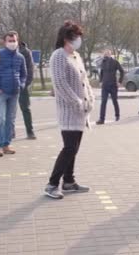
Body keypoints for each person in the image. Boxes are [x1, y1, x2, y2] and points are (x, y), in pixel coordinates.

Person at [44, 20, 95, 199]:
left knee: (74, 148)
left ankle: (69, 181)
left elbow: (84, 80)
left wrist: (90, 98)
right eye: (76, 36)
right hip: (69, 110)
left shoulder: (76, 56)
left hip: (81, 111)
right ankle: (52, 184)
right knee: (69, 148)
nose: (79, 39)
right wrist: (77, 103)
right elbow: (60, 84)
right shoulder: (58, 56)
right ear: (67, 38)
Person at [0, 31, 27, 157]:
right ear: (4, 42)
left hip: (14, 93)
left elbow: (24, 75)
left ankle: (6, 144)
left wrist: (21, 85)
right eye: (10, 41)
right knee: (1, 119)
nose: (12, 43)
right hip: (1, 92)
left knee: (10, 120)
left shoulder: (20, 57)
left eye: (14, 40)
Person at [96, 49, 125, 125]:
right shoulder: (103, 62)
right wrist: (100, 81)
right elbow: (101, 73)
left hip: (113, 85)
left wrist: (119, 82)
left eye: (107, 54)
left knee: (114, 101)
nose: (105, 55)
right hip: (105, 85)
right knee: (103, 102)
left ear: (110, 54)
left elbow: (122, 71)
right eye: (104, 54)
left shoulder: (115, 62)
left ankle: (117, 116)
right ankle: (101, 119)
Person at [18, 41, 37, 140]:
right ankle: (10, 132)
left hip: (22, 85)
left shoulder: (25, 52)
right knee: (8, 111)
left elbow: (30, 68)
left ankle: (30, 131)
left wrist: (26, 83)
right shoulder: (3, 52)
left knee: (25, 108)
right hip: (8, 86)